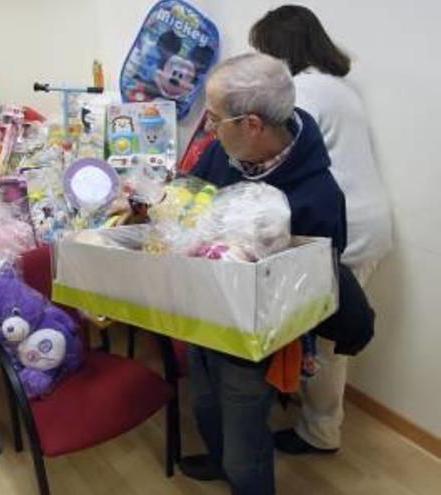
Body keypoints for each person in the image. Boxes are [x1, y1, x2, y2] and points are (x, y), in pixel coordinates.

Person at [178, 53, 347, 495]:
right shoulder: (224, 151)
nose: (209, 128)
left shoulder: (317, 195)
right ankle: (219, 461)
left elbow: (314, 284)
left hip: (254, 339)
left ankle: (242, 476)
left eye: (214, 119)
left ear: (252, 124)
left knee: (245, 442)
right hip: (201, 314)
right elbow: (189, 195)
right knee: (205, 403)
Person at [250, 4, 393, 455]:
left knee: (328, 336)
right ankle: (312, 413)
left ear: (281, 49)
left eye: (263, 52)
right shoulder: (339, 88)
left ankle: (320, 433)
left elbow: (275, 159)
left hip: (344, 227)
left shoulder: (302, 92)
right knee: (326, 330)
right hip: (368, 219)